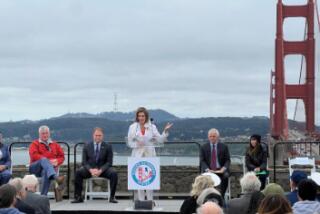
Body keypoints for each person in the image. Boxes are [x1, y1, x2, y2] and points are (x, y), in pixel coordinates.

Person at [127, 107, 173, 201]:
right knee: (139, 180)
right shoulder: (132, 127)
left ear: (146, 116)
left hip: (150, 156)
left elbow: (160, 139)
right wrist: (136, 144)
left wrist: (165, 131)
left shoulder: (152, 127)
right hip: (138, 156)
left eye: (143, 116)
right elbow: (129, 142)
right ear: (137, 117)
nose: (141, 118)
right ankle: (140, 201)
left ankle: (150, 201)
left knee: (149, 181)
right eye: (139, 116)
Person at [72, 127, 118, 203]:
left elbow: (109, 162)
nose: (97, 137)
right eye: (96, 135)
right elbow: (84, 162)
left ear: (102, 136)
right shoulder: (87, 146)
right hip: (90, 170)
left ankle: (112, 197)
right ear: (93, 135)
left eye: (99, 135)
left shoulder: (108, 146)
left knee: (114, 173)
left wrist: (100, 170)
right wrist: (90, 170)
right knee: (78, 172)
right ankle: (78, 197)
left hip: (103, 170)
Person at [28, 125, 65, 199]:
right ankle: (56, 177)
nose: (45, 135)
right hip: (35, 168)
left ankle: (43, 197)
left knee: (46, 171)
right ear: (39, 134)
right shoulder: (34, 144)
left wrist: (57, 161)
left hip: (48, 169)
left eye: (46, 133)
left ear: (49, 134)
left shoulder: (55, 145)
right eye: (43, 133)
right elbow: (34, 156)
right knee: (44, 160)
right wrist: (48, 161)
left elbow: (62, 157)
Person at [200, 128, 230, 198]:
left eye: (214, 136)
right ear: (208, 137)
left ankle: (221, 196)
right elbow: (202, 160)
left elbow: (228, 160)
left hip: (220, 170)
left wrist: (223, 168)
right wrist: (207, 169)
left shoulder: (224, 147)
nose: (212, 138)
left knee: (225, 176)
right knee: (203, 178)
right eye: (210, 136)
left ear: (217, 137)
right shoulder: (203, 147)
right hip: (209, 170)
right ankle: (207, 196)